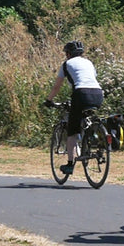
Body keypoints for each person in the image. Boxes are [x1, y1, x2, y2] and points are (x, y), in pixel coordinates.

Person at [43, 40, 103, 176]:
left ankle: (70, 164)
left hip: (81, 93)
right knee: (87, 116)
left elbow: (57, 86)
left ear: (68, 53)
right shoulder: (89, 63)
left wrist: (49, 100)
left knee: (72, 131)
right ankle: (92, 137)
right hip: (98, 93)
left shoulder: (66, 64)